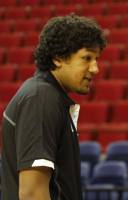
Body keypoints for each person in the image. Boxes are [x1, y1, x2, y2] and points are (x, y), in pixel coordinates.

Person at [1, 14, 106, 200]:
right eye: (86, 58)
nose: (95, 68)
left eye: (96, 59)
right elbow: (32, 194)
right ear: (58, 58)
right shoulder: (41, 99)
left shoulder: (48, 96)